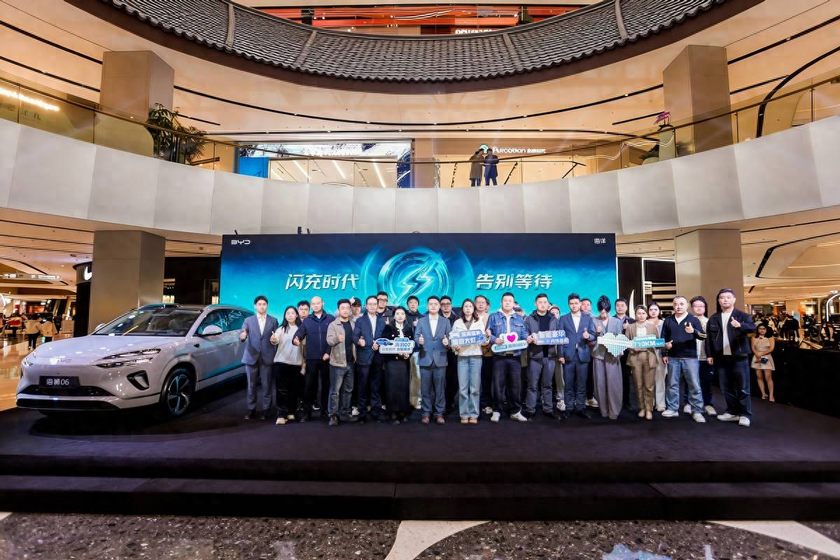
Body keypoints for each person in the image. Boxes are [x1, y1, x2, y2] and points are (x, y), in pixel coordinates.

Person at [706, 288, 756, 427]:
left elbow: (752, 328)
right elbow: (709, 339)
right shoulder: (714, 318)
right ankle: (732, 412)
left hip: (739, 357)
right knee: (725, 387)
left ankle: (745, 414)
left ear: (734, 299)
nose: (725, 300)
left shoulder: (742, 316)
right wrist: (709, 354)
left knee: (743, 387)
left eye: (728, 297)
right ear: (719, 301)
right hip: (721, 357)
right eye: (722, 297)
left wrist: (740, 325)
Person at [661, 295, 706, 423]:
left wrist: (693, 331)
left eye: (681, 304)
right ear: (673, 306)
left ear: (686, 306)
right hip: (673, 357)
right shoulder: (668, 320)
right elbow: (663, 338)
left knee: (694, 385)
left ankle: (697, 411)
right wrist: (665, 351)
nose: (678, 306)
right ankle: (672, 408)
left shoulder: (693, 319)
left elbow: (703, 336)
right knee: (672, 384)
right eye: (675, 304)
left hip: (690, 357)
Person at [485, 292, 530, 423]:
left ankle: (515, 411)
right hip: (499, 357)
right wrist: (494, 339)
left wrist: (528, 338)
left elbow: (524, 334)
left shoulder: (519, 318)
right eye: (505, 300)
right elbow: (488, 334)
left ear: (513, 303)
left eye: (510, 301)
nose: (508, 303)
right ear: (501, 302)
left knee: (515, 386)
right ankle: (497, 410)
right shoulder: (493, 316)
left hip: (515, 356)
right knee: (498, 385)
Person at [293, 295, 334, 422]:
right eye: (313, 304)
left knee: (326, 385)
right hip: (311, 358)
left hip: (327, 358)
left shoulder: (330, 319)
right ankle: (307, 412)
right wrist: (296, 339)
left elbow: (334, 337)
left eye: (318, 303)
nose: (316, 305)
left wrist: (328, 352)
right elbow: (299, 334)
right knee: (310, 386)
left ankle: (325, 411)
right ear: (311, 306)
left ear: (323, 303)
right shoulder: (307, 321)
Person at [240, 295, 279, 420]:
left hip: (267, 356)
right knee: (251, 385)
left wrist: (275, 340)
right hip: (251, 356)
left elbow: (276, 338)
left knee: (267, 385)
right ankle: (251, 409)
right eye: (259, 304)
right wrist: (243, 335)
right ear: (255, 306)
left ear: (267, 306)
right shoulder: (248, 320)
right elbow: (243, 333)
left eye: (264, 304)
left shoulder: (273, 320)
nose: (262, 306)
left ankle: (266, 410)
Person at [558, 293, 597, 419]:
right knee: (568, 384)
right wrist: (560, 355)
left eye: (576, 303)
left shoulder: (588, 318)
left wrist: (588, 336)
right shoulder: (563, 319)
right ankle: (569, 408)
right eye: (571, 303)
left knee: (582, 383)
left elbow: (593, 335)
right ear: (568, 305)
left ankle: (580, 407)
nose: (574, 305)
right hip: (568, 355)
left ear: (580, 304)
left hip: (583, 355)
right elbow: (560, 338)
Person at [414, 296, 451, 424]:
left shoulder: (445, 321)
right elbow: (416, 337)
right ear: (427, 306)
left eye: (436, 304)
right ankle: (426, 413)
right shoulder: (421, 321)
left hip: (440, 358)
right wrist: (419, 341)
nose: (433, 306)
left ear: (439, 306)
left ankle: (439, 413)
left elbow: (450, 338)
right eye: (431, 304)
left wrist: (447, 342)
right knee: (425, 389)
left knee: (440, 389)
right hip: (425, 357)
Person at [524, 293, 559, 419]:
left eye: (545, 302)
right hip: (535, 356)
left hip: (550, 356)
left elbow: (559, 335)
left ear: (548, 304)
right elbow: (524, 333)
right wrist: (527, 338)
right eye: (540, 302)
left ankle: (548, 409)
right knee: (532, 385)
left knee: (548, 384)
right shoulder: (529, 319)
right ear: (535, 304)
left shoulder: (554, 319)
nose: (543, 304)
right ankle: (530, 410)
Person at [450, 299, 485, 424]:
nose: (468, 308)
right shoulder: (457, 322)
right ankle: (464, 414)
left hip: (476, 356)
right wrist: (455, 346)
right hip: (462, 357)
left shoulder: (479, 322)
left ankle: (474, 414)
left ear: (473, 308)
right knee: (463, 388)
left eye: (470, 306)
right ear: (462, 308)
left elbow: (483, 340)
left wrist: (485, 337)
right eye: (466, 306)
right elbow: (453, 339)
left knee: (475, 388)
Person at [353, 295, 386, 422]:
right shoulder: (360, 320)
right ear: (366, 306)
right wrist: (360, 341)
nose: (372, 306)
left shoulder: (382, 321)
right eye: (370, 304)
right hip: (363, 357)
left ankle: (376, 411)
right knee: (362, 385)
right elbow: (355, 337)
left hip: (378, 357)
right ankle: (362, 412)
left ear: (377, 306)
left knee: (376, 385)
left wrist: (380, 344)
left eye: (374, 304)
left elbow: (385, 338)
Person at [591, 296, 624, 420]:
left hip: (613, 355)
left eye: (605, 311)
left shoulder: (617, 322)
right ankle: (603, 410)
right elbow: (590, 340)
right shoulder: (593, 321)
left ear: (609, 310)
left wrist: (620, 349)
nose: (603, 313)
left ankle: (614, 411)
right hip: (598, 355)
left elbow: (620, 338)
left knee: (614, 383)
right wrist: (596, 333)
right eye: (601, 311)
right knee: (600, 383)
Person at [325, 299, 357, 426]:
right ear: (338, 310)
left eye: (347, 308)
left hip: (350, 362)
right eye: (342, 308)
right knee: (335, 391)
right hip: (337, 363)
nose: (345, 310)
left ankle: (345, 413)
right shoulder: (333, 325)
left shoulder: (353, 324)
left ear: (350, 310)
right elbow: (329, 341)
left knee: (348, 390)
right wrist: (337, 339)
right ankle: (333, 415)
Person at [380, 306, 414, 423]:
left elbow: (412, 345)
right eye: (398, 314)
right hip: (392, 362)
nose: (400, 316)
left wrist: (408, 354)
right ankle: (393, 412)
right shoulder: (388, 328)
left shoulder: (409, 329)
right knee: (392, 387)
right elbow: (384, 345)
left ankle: (403, 411)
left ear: (405, 316)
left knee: (403, 387)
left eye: (402, 314)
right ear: (394, 316)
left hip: (404, 363)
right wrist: (396, 351)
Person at [270, 306, 303, 425]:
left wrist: (304, 364)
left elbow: (305, 347)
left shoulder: (301, 329)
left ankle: (291, 412)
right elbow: (275, 340)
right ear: (285, 316)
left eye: (292, 313)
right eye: (288, 313)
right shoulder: (281, 329)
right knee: (281, 390)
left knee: (294, 390)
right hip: (281, 362)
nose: (290, 315)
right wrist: (273, 339)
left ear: (296, 315)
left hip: (296, 363)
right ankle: (281, 414)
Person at [625, 305, 657, 420]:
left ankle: (649, 409)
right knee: (638, 385)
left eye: (643, 313)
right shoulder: (630, 327)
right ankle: (642, 407)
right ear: (635, 315)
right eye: (639, 313)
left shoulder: (652, 326)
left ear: (646, 314)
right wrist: (633, 347)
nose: (641, 315)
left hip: (649, 356)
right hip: (635, 357)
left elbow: (657, 341)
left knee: (649, 385)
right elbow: (626, 342)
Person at [690, 296, 717, 416]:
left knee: (706, 382)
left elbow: (712, 341)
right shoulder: (688, 321)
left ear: (705, 308)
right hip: (690, 356)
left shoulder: (710, 322)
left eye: (701, 306)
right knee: (690, 382)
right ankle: (689, 403)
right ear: (692, 308)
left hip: (705, 356)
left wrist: (712, 355)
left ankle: (707, 404)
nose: (699, 308)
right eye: (696, 306)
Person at [613, 297, 636, 412]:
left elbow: (635, 337)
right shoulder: (611, 319)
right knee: (614, 379)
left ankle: (626, 402)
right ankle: (615, 401)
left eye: (622, 305)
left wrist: (627, 329)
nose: (620, 308)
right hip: (614, 352)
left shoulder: (632, 321)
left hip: (627, 354)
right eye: (618, 305)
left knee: (626, 378)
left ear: (626, 307)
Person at [474, 295, 495, 416]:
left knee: (487, 380)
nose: (481, 304)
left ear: (487, 305)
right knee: (474, 381)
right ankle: (474, 404)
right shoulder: (470, 317)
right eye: (478, 302)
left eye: (483, 302)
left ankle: (486, 404)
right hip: (473, 352)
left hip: (488, 354)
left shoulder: (492, 317)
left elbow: (495, 334)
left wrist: (488, 344)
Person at [648, 302, 667, 412]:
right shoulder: (644, 323)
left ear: (659, 311)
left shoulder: (664, 323)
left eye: (655, 309)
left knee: (660, 380)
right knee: (649, 380)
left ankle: (660, 403)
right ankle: (650, 402)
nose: (653, 312)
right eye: (651, 309)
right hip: (648, 353)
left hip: (661, 353)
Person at [406, 295, 423, 409]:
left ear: (418, 304)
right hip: (404, 351)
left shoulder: (422, 317)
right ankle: (406, 400)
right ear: (407, 304)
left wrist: (417, 327)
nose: (413, 304)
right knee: (406, 376)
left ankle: (417, 400)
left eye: (415, 302)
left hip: (417, 351)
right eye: (410, 302)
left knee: (417, 376)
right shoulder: (403, 316)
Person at [751, 323, 776, 402]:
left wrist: (761, 354)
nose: (762, 330)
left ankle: (771, 395)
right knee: (759, 376)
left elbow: (771, 348)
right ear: (757, 329)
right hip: (756, 357)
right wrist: (757, 354)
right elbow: (753, 348)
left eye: (763, 329)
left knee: (768, 377)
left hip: (766, 357)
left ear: (766, 329)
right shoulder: (754, 337)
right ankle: (763, 393)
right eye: (760, 328)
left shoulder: (770, 337)